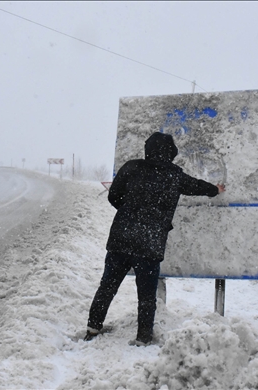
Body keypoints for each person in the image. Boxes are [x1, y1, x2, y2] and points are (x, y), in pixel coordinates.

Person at [84, 132, 226, 346]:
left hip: (121, 238)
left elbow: (114, 195)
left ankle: (93, 327)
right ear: (171, 153)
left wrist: (129, 211)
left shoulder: (131, 167)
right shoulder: (174, 175)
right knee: (147, 295)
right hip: (148, 243)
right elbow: (197, 186)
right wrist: (215, 189)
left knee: (107, 286)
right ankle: (143, 337)